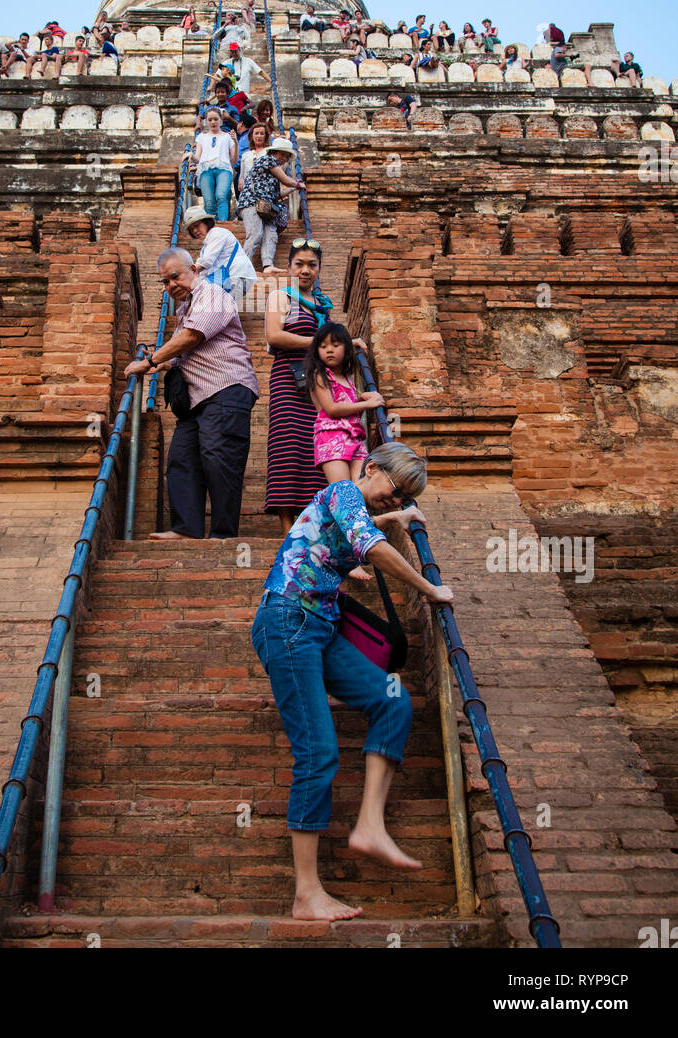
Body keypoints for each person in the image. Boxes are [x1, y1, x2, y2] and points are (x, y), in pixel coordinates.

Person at [251, 441, 454, 921]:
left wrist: (392, 519)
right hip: (288, 623)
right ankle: (306, 894)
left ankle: (369, 825)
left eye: (405, 498)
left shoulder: (352, 507)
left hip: (320, 625)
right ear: (370, 467)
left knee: (393, 702)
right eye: (395, 489)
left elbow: (355, 532)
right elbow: (369, 548)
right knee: (318, 754)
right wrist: (429, 589)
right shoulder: (342, 488)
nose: (395, 499)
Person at [124, 248, 259, 540]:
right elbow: (182, 351)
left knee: (218, 458)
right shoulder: (185, 309)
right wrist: (159, 363)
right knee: (181, 458)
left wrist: (150, 361)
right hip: (197, 399)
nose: (171, 285)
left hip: (226, 389)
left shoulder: (211, 294)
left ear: (194, 270)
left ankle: (223, 535)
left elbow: (192, 336)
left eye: (176, 276)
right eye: (165, 282)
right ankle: (186, 529)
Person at [264, 239, 364, 534]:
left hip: (319, 385)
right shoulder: (281, 296)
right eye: (299, 264)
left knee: (316, 449)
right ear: (290, 267)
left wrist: (344, 345)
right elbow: (274, 336)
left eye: (312, 265)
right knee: (287, 446)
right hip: (287, 380)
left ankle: (316, 523)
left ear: (319, 269)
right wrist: (322, 344)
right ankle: (287, 527)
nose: (305, 270)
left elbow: (334, 348)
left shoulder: (323, 305)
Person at [306, 319, 384, 492]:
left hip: (354, 437)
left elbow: (346, 402)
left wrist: (362, 399)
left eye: (335, 345)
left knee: (362, 490)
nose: (329, 350)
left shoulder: (347, 378)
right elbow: (332, 409)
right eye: (323, 346)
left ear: (346, 348)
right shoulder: (320, 375)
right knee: (344, 493)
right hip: (331, 437)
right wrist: (366, 405)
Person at [237, 137, 302, 275]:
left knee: (271, 234)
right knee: (255, 234)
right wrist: (297, 184)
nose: (284, 158)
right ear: (274, 152)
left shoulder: (272, 175)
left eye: (287, 156)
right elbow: (286, 180)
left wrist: (294, 188)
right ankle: (242, 267)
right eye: (282, 154)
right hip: (252, 203)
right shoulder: (267, 160)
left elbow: (278, 194)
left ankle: (268, 265)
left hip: (267, 207)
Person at [183, 204, 257, 303]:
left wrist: (183, 274)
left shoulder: (217, 233)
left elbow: (206, 262)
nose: (195, 230)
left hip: (237, 275)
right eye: (192, 229)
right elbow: (203, 273)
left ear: (206, 222)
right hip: (231, 278)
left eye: (197, 225)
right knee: (219, 308)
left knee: (222, 309)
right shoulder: (206, 246)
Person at [191, 108, 238, 221]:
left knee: (221, 196)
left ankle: (223, 223)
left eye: (216, 119)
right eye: (210, 119)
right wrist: (190, 155)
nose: (213, 122)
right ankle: (211, 228)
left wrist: (235, 142)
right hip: (206, 170)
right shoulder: (202, 137)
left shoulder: (227, 137)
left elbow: (234, 159)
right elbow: (198, 157)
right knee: (209, 202)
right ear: (206, 121)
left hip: (224, 169)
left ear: (221, 120)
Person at [238, 119, 271, 190]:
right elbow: (241, 175)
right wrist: (241, 181)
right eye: (256, 133)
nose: (259, 136)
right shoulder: (245, 155)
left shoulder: (269, 152)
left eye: (262, 133)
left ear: (266, 136)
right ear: (252, 136)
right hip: (248, 191)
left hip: (264, 189)